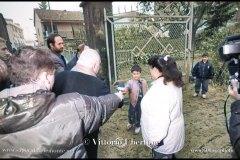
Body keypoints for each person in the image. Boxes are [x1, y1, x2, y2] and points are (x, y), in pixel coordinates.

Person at [0, 46, 123, 158]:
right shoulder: (75, 106)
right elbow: (99, 107)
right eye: (52, 73)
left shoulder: (61, 76)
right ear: (45, 77)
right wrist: (118, 97)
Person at [52, 47, 110, 158]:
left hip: (60, 135)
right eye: (99, 65)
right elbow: (109, 104)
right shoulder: (99, 85)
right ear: (95, 65)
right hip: (88, 137)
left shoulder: (59, 77)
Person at [140, 55, 185, 159]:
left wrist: (153, 141)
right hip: (173, 134)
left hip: (163, 141)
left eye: (150, 69)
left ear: (155, 70)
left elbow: (159, 123)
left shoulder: (159, 92)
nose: (150, 72)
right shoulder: (173, 82)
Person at [123, 64, 148, 134]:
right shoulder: (130, 82)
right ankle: (130, 122)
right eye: (134, 74)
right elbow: (127, 87)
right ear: (132, 74)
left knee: (138, 114)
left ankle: (137, 125)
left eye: (137, 73)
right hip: (133, 102)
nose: (136, 75)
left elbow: (146, 90)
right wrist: (125, 90)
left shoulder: (143, 81)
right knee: (131, 112)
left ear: (140, 73)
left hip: (140, 102)